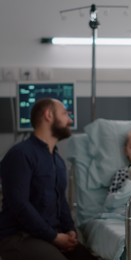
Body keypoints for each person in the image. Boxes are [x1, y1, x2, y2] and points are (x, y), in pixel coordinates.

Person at [0, 98, 96, 260]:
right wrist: (54, 237)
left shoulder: (58, 161)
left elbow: (62, 203)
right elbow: (20, 205)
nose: (70, 120)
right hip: (18, 237)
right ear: (48, 115)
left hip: (50, 236)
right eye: (65, 114)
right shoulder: (20, 155)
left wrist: (70, 230)